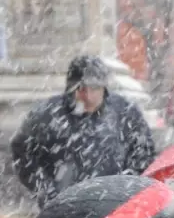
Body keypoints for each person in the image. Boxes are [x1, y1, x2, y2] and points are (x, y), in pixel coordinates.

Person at [11, 55, 155, 206]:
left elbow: (143, 151)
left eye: (94, 88)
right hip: (63, 208)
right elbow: (22, 153)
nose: (88, 96)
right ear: (70, 89)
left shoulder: (125, 112)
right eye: (81, 89)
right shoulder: (48, 114)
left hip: (113, 205)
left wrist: (126, 186)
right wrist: (47, 192)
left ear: (104, 88)